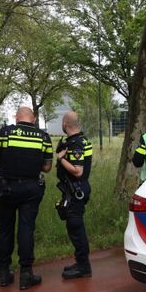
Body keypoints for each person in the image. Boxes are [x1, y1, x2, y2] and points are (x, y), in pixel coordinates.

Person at [0, 107, 52, 290]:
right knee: (26, 229)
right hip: (31, 189)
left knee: (5, 229)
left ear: (16, 117)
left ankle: (4, 274)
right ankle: (25, 274)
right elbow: (47, 167)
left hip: (5, 188)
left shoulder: (5, 133)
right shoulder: (43, 137)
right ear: (34, 118)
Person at [56, 111, 93, 279]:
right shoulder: (81, 140)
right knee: (75, 227)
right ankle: (80, 262)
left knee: (76, 227)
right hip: (75, 189)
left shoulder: (76, 143)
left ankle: (83, 267)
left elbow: (78, 171)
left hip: (76, 190)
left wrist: (60, 159)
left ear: (65, 124)